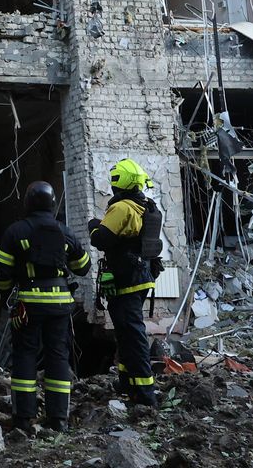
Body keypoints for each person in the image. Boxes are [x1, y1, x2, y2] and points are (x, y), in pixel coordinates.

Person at [0, 181, 90, 434]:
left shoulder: (16, 231)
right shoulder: (65, 232)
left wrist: (6, 294)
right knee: (57, 355)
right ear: (51, 202)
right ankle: (58, 419)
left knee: (25, 355)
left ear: (27, 203)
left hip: (28, 303)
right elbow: (83, 267)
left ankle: (23, 419)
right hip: (60, 304)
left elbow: (1, 272)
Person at [89, 159, 164, 408]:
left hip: (127, 280)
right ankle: (126, 380)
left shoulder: (122, 208)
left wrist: (93, 226)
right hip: (142, 278)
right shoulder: (146, 206)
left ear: (118, 183)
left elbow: (102, 239)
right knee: (124, 332)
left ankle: (145, 392)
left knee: (132, 334)